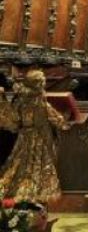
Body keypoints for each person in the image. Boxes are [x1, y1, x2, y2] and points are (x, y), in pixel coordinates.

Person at [0, 70, 67, 202]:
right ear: (38, 84)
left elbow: (14, 122)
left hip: (23, 137)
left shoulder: (20, 99)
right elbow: (57, 120)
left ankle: (19, 194)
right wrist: (66, 118)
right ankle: (34, 197)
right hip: (41, 138)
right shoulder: (40, 101)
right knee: (39, 167)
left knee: (19, 165)